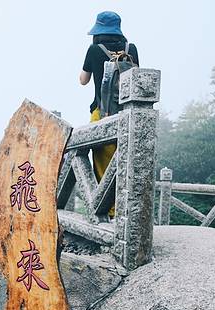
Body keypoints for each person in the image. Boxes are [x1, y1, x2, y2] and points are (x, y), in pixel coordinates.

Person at [80, 11, 139, 215]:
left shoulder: (94, 49)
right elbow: (137, 77)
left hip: (102, 113)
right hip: (128, 113)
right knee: (126, 158)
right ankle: (127, 208)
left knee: (102, 162)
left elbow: (83, 80)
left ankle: (108, 210)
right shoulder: (131, 49)